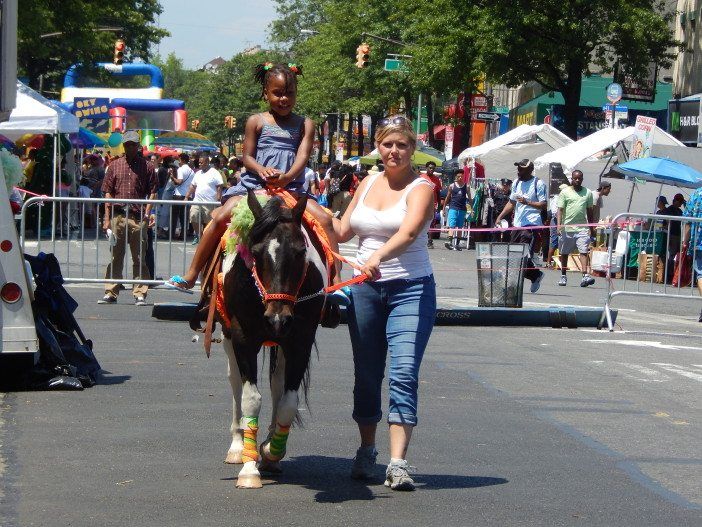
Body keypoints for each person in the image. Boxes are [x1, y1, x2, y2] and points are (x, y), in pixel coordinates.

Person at [165, 63, 347, 308]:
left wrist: (287, 177)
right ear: (265, 92)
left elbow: (303, 156)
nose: (284, 99)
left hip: (291, 188)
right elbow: (247, 157)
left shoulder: (306, 124)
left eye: (289, 93)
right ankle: (191, 275)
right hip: (255, 187)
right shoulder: (256, 121)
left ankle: (336, 281)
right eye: (277, 93)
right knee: (219, 218)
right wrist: (262, 170)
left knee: (325, 221)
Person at [333, 115, 435, 491]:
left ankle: (398, 462)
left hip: (411, 288)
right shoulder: (367, 181)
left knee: (403, 372)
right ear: (378, 146)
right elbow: (342, 231)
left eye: (402, 145)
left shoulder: (422, 187)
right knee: (367, 374)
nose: (394, 151)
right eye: (388, 144)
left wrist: (379, 258)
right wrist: (311, 212)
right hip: (364, 291)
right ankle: (366, 449)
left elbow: (409, 232)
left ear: (413, 149)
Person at [98, 131, 158, 306]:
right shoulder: (114, 166)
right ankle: (111, 291)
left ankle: (140, 292)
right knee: (116, 256)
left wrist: (147, 213)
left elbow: (153, 191)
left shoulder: (147, 167)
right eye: (127, 144)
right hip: (118, 217)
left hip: (137, 217)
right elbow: (107, 192)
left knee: (139, 257)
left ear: (138, 146)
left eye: (133, 144)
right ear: (123, 145)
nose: (130, 147)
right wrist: (107, 218)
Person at [494, 159, 547, 293]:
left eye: (521, 169)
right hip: (517, 224)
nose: (519, 171)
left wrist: (527, 202)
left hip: (531, 224)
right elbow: (511, 203)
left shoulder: (538, 183)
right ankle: (535, 275)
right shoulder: (516, 183)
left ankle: (512, 284)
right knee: (513, 256)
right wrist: (500, 217)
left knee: (522, 256)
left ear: (530, 170)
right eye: (518, 168)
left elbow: (543, 204)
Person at [556, 171, 595, 287]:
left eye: (579, 178)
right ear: (571, 179)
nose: (577, 180)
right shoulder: (565, 192)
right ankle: (563, 275)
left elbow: (590, 211)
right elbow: (560, 210)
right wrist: (559, 225)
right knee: (564, 252)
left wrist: (591, 227)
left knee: (583, 251)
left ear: (582, 179)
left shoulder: (588, 193)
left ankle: (585, 276)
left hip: (582, 228)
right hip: (567, 228)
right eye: (575, 178)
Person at [185, 154, 223, 244]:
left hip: (210, 202)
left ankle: (207, 240)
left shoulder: (214, 172)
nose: (200, 164)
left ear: (207, 162)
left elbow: (219, 186)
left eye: (201, 162)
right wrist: (186, 196)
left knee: (208, 223)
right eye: (199, 162)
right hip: (197, 201)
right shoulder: (198, 173)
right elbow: (192, 186)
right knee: (193, 216)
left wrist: (218, 200)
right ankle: (200, 236)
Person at [681, 186, 702, 322]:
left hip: (698, 241)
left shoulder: (696, 194)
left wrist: (685, 241)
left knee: (700, 274)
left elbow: (687, 221)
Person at [442, 171, 470, 251]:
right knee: (452, 225)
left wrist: (472, 208)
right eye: (458, 176)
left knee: (460, 227)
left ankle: (457, 244)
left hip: (462, 209)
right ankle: (450, 242)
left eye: (461, 176)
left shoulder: (466, 186)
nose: (460, 178)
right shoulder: (452, 186)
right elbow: (447, 197)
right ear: (455, 177)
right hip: (453, 208)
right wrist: (444, 208)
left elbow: (470, 198)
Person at [662, 193, 686, 282]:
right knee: (671, 255)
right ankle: (668, 275)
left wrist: (686, 205)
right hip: (671, 235)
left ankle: (674, 274)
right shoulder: (670, 210)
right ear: (676, 201)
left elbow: (686, 215)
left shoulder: (679, 211)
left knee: (677, 255)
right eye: (680, 202)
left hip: (678, 235)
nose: (680, 204)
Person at [170, 153, 195, 239]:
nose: (178, 161)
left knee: (174, 216)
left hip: (178, 195)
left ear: (182, 160)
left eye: (179, 159)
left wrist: (172, 177)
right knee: (184, 217)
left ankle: (172, 234)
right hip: (188, 195)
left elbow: (179, 181)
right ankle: (183, 235)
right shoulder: (192, 171)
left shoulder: (180, 169)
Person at [421, 161, 442, 248]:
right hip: (421, 203)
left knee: (431, 223)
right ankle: (419, 240)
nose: (431, 169)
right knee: (421, 222)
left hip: (432, 205)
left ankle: (430, 241)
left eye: (433, 168)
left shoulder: (437, 180)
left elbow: (438, 193)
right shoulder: (421, 177)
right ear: (426, 168)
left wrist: (439, 206)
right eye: (430, 168)